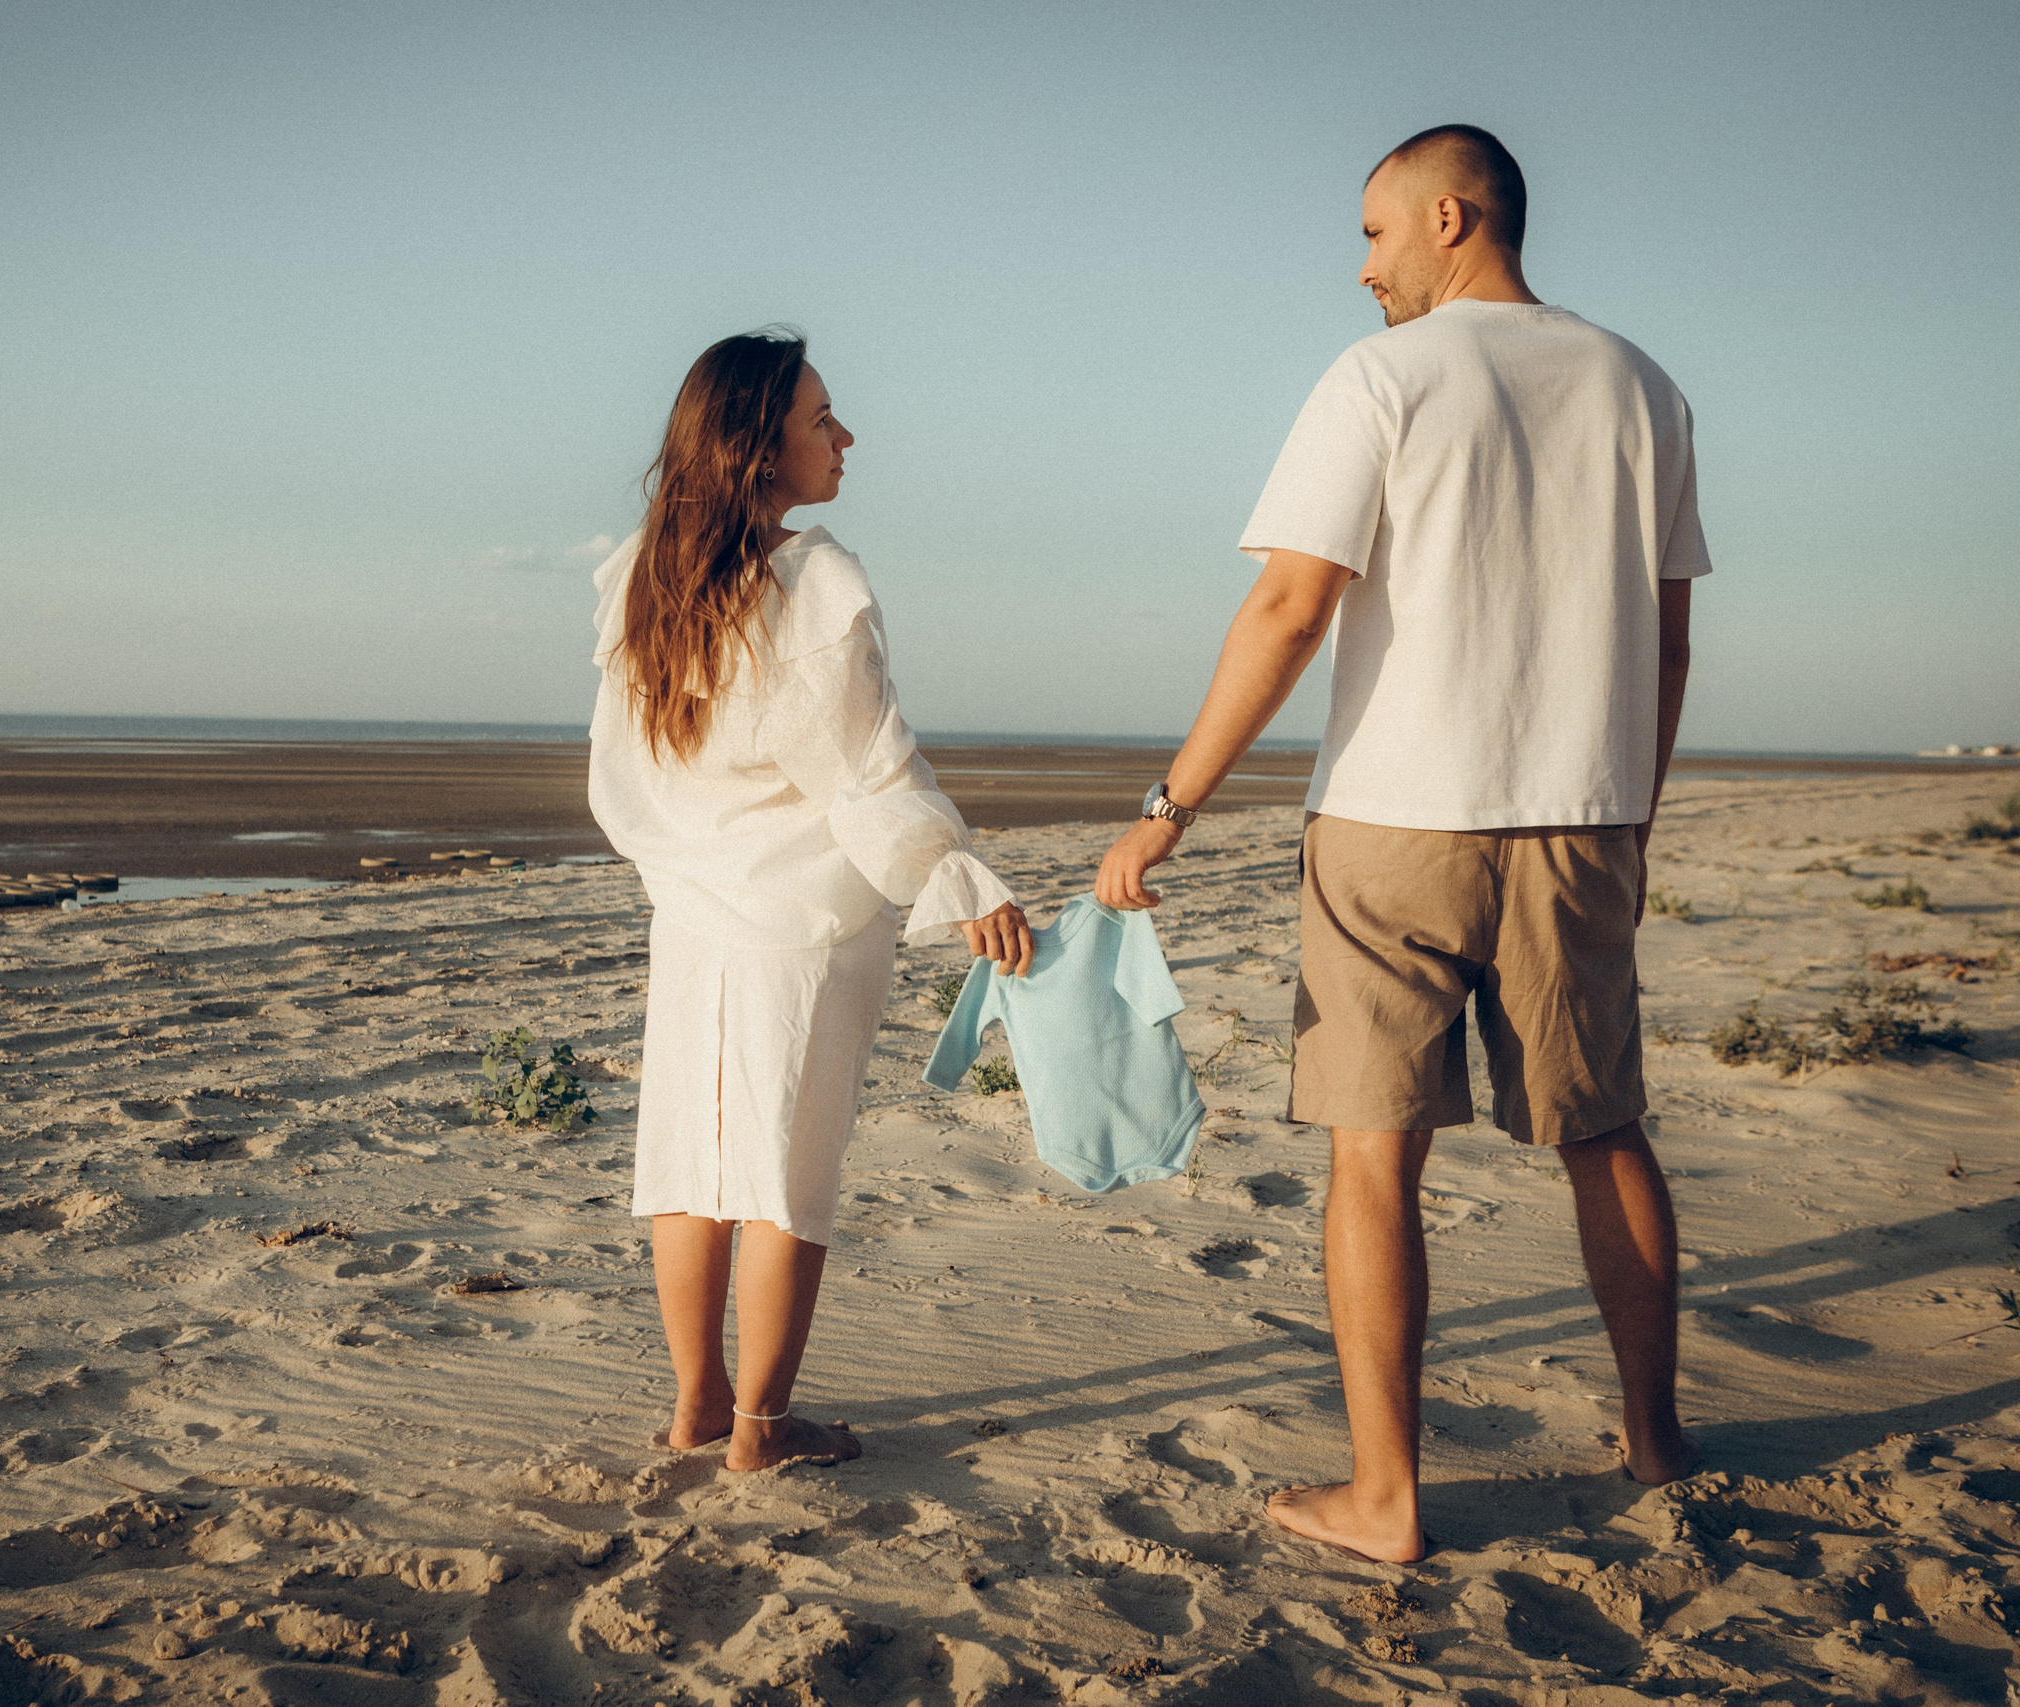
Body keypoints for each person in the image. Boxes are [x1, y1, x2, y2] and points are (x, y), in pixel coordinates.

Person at [1094, 125, 1707, 1561]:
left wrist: (1169, 804)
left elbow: (1290, 608)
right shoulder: (1642, 384)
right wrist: (1630, 805)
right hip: (1580, 813)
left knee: (1375, 1156)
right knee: (1604, 1127)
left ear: (1448, 214)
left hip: (1392, 814)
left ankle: (1386, 1496)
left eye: (1374, 236)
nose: (1363, 268)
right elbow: (1670, 644)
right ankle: (1658, 1437)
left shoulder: (1382, 376)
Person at [588, 330, 1034, 1473]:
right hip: (801, 925)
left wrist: (683, 868)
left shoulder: (647, 576)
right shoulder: (813, 580)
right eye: (821, 419)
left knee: (693, 1165)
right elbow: (868, 770)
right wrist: (956, 882)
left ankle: (698, 1406)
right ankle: (759, 1431)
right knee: (786, 1175)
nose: (845, 437)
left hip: (694, 912)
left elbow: (626, 776)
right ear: (758, 447)